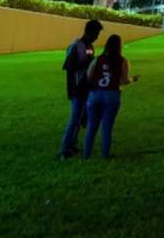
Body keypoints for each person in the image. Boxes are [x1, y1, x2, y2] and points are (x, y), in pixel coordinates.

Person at [82, 34, 138, 160]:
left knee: (91, 126)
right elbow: (124, 81)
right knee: (106, 127)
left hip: (94, 95)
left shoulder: (97, 59)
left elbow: (88, 76)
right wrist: (133, 79)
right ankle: (105, 155)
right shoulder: (123, 61)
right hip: (112, 95)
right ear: (119, 46)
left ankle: (86, 155)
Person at [59, 19, 102, 159]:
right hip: (77, 89)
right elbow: (69, 68)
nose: (98, 37)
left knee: (80, 119)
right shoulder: (76, 46)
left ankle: (73, 144)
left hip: (86, 88)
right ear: (90, 31)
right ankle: (65, 150)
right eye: (96, 33)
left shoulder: (90, 46)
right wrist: (71, 91)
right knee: (74, 119)